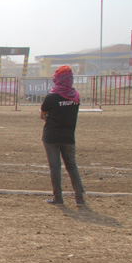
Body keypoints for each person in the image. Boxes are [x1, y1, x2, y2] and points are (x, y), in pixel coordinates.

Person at [40, 65, 85, 206]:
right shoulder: (75, 97)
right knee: (72, 166)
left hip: (52, 137)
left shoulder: (52, 97)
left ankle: (58, 198)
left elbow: (42, 115)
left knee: (55, 167)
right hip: (68, 136)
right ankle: (79, 198)